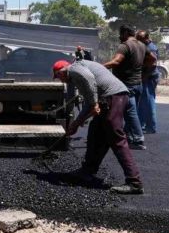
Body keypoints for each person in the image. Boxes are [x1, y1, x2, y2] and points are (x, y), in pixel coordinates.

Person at [53, 59, 144, 194]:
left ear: (62, 71)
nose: (61, 81)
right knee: (95, 134)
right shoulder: (78, 74)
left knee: (116, 139)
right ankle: (87, 171)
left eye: (58, 76)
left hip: (113, 97)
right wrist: (76, 124)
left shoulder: (74, 68)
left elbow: (90, 81)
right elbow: (88, 104)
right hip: (111, 98)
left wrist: (94, 103)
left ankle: (134, 182)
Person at [103, 25, 153, 150]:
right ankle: (128, 137)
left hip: (127, 85)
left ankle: (137, 139)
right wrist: (141, 70)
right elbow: (152, 59)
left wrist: (99, 66)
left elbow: (116, 62)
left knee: (130, 112)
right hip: (137, 85)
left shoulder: (125, 45)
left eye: (121, 34)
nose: (120, 37)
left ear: (125, 33)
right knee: (129, 112)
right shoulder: (142, 45)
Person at [137, 30, 159, 134]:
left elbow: (153, 64)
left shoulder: (150, 48)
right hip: (147, 77)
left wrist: (144, 76)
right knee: (144, 102)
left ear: (146, 38)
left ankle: (151, 126)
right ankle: (144, 125)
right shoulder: (147, 46)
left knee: (149, 102)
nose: (138, 41)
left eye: (140, 39)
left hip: (149, 78)